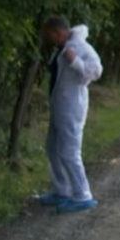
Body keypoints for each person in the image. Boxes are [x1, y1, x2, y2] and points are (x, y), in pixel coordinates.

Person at [40, 16, 104, 214]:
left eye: (49, 35)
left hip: (72, 107)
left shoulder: (81, 47)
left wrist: (75, 61)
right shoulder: (63, 47)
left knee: (69, 151)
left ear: (58, 32)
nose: (48, 39)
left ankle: (82, 195)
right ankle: (63, 190)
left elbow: (96, 71)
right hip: (60, 106)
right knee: (53, 147)